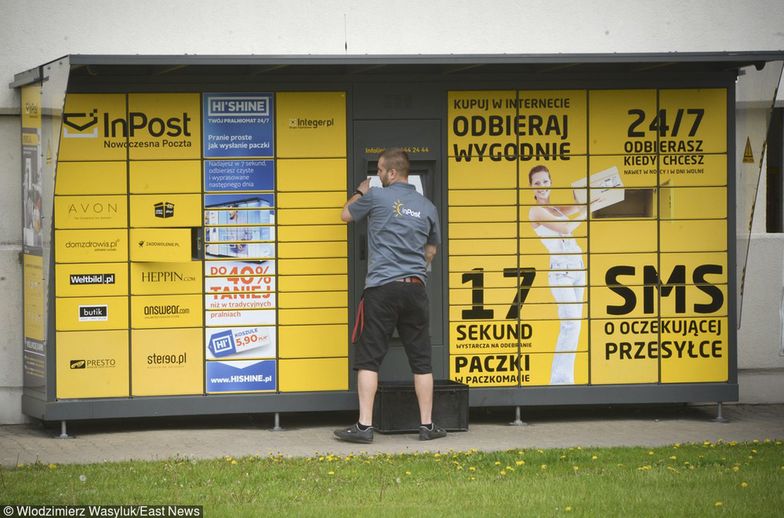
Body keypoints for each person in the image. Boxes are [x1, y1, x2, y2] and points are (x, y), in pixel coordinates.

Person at [335, 148, 446, 443]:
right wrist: (416, 272)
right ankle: (427, 426)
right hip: (415, 289)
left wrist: (360, 192)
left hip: (382, 289)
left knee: (369, 359)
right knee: (421, 360)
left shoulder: (376, 196)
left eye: (380, 171)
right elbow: (431, 251)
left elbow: (346, 215)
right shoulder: (427, 206)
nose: (378, 175)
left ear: (392, 172)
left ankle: (364, 427)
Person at [528, 165, 587, 385]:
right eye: (537, 183)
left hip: (577, 268)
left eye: (545, 181)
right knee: (570, 324)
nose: (542, 186)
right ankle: (561, 382)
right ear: (531, 188)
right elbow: (565, 228)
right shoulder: (536, 211)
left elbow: (576, 207)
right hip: (561, 271)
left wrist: (586, 198)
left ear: (551, 183)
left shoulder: (555, 208)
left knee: (576, 325)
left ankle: (564, 379)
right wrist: (587, 209)